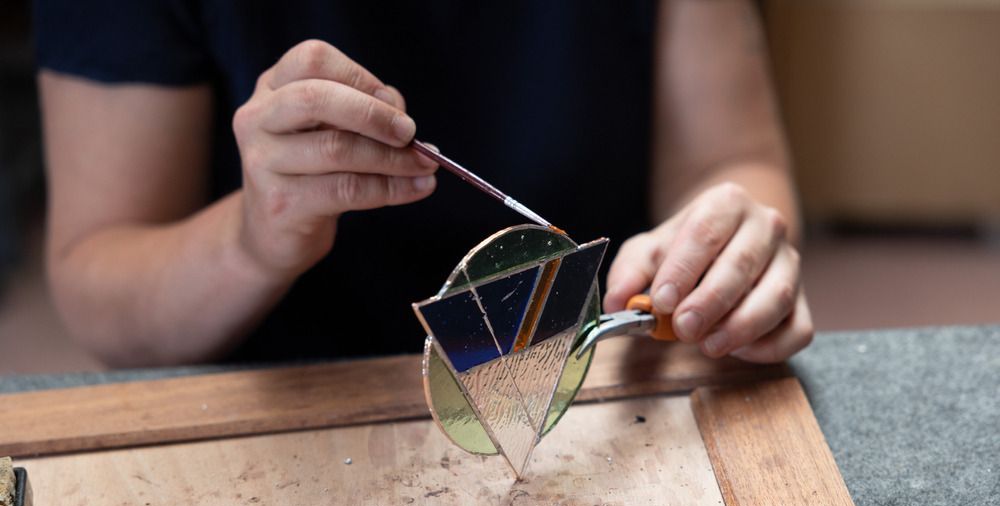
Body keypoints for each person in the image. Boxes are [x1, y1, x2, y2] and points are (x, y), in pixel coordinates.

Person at [35, 0, 812, 367]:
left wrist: (720, 246)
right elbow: (99, 283)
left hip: (585, 395)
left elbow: (731, 161)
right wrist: (253, 238)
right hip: (274, 425)